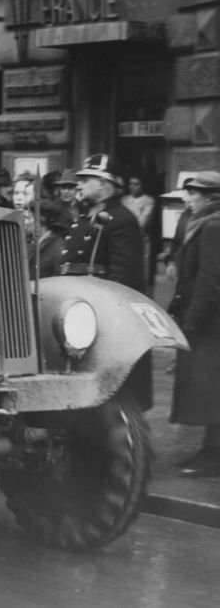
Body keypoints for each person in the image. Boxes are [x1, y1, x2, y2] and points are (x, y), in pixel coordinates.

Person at [168, 171, 220, 477]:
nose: (187, 199)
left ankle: (213, 455)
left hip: (210, 324)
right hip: (208, 320)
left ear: (210, 196)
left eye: (192, 193)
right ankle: (210, 449)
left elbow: (210, 280)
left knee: (210, 388)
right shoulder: (203, 223)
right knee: (210, 387)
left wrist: (191, 322)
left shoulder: (212, 226)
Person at [58, 153, 145, 292]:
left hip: (98, 302)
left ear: (102, 183)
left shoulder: (122, 220)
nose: (79, 185)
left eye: (85, 180)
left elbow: (123, 278)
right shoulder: (85, 216)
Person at [122, 174, 157, 286]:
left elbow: (143, 222)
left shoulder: (148, 200)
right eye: (131, 184)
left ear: (141, 186)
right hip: (125, 239)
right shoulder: (124, 200)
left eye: (136, 184)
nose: (133, 187)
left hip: (140, 239)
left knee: (141, 270)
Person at [28, 199, 72, 279]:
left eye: (29, 218)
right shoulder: (31, 242)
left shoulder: (57, 246)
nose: (26, 222)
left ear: (41, 219)